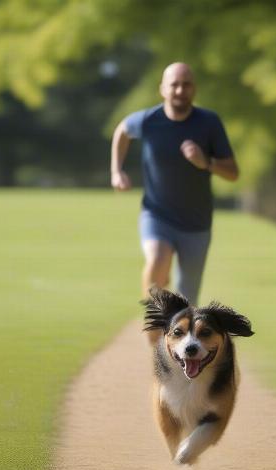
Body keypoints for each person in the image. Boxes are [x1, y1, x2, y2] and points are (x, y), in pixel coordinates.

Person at [110, 62, 239, 312]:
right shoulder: (148, 120)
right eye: (174, 85)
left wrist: (206, 162)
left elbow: (233, 173)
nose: (180, 90)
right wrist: (116, 170)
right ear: (163, 89)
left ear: (194, 89)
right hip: (156, 213)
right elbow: (122, 130)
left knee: (187, 298)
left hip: (197, 222)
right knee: (157, 260)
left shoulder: (209, 123)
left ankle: (177, 342)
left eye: (186, 84)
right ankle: (155, 325)